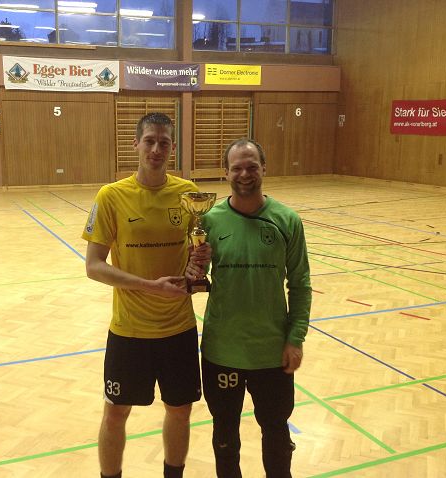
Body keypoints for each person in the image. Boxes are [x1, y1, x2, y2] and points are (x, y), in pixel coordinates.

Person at [82, 113, 203, 478]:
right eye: (149, 141)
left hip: (179, 328)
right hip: (129, 330)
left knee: (180, 411)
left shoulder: (188, 193)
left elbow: (198, 252)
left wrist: (200, 263)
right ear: (135, 144)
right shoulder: (111, 196)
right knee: (115, 413)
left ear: (172, 148)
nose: (156, 149)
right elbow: (94, 266)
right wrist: (150, 286)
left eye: (163, 142)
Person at [187, 138, 312, 478]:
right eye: (237, 168)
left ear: (264, 169)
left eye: (252, 166)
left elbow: (300, 285)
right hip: (222, 350)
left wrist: (295, 339)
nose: (245, 174)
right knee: (225, 436)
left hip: (271, 352)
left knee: (276, 432)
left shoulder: (287, 220)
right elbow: (194, 279)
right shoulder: (209, 221)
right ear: (226, 173)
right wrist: (193, 269)